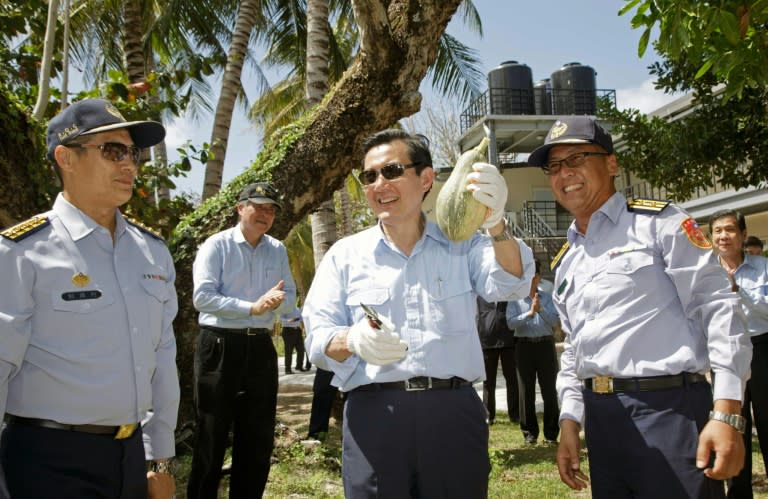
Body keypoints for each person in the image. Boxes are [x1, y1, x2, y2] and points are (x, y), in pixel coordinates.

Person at [527, 116, 752, 498]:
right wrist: (569, 421)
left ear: (611, 163)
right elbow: (574, 351)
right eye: (554, 166)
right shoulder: (567, 259)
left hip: (669, 409)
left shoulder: (658, 223)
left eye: (578, 157)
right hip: (603, 420)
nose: (565, 173)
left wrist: (727, 412)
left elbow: (717, 307)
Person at [303, 129, 534, 498]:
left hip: (452, 412)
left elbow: (511, 282)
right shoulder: (344, 256)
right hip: (374, 415)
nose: (380, 183)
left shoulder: (465, 243)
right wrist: (353, 338)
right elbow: (317, 338)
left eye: (392, 170)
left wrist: (496, 225)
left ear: (426, 179)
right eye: (370, 176)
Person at [0, 98, 179, 499]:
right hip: (47, 462)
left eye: (133, 152)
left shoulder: (152, 251)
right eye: (113, 151)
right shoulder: (21, 251)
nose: (130, 165)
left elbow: (162, 362)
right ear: (66, 158)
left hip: (130, 459)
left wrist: (159, 460)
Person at [187, 182, 297, 499]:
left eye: (271, 209)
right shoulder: (216, 246)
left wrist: (279, 302)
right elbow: (203, 298)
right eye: (259, 206)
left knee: (258, 436)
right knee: (212, 434)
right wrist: (251, 307)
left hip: (260, 347)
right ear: (240, 208)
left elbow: (289, 295)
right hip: (219, 346)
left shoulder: (277, 249)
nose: (266, 214)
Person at [710, 209, 768, 499]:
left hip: (762, 348)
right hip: (725, 355)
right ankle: (738, 492)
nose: (723, 236)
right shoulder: (707, 271)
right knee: (734, 425)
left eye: (730, 230)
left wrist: (739, 292)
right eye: (718, 231)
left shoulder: (762, 267)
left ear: (743, 235)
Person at [505, 258, 560, 445]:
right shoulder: (515, 298)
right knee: (525, 391)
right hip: (524, 346)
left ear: (538, 277)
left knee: (550, 390)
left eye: (532, 275)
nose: (529, 279)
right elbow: (510, 322)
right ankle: (529, 433)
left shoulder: (548, 297)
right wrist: (529, 314)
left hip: (545, 345)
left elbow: (554, 322)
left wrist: (540, 309)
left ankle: (552, 434)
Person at [476, 295, 520, 425]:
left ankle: (515, 415)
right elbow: (477, 317)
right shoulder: (480, 296)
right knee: (488, 381)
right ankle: (489, 415)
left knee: (512, 379)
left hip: (508, 341)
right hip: (487, 342)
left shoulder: (509, 295)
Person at [281, 308, 309, 374]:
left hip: (297, 330)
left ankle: (299, 366)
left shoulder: (297, 309)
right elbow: (281, 319)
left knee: (301, 350)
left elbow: (301, 319)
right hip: (288, 331)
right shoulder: (284, 309)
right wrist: (289, 320)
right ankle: (287, 369)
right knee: (289, 351)